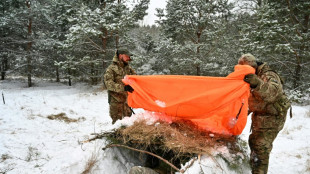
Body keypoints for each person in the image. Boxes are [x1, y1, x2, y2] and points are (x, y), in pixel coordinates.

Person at [238, 53, 291, 174]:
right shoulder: (251, 76)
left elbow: (273, 93)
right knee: (254, 142)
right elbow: (249, 99)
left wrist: (257, 83)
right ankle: (254, 169)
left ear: (253, 67)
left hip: (273, 116)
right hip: (261, 114)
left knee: (260, 147)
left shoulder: (268, 74)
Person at [104, 47, 136, 124]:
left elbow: (136, 78)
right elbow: (108, 84)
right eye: (127, 56)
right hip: (116, 103)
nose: (129, 58)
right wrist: (124, 88)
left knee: (128, 124)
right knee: (117, 124)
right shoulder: (111, 68)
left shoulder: (128, 68)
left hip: (127, 102)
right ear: (121, 55)